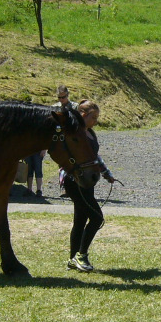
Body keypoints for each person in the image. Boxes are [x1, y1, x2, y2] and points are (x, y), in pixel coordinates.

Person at [62, 100, 116, 272]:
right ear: (83, 115)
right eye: (93, 117)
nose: (96, 121)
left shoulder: (90, 133)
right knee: (97, 217)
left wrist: (106, 173)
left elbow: (94, 157)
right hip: (75, 180)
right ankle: (81, 255)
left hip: (87, 181)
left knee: (80, 219)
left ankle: (72, 258)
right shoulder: (75, 134)